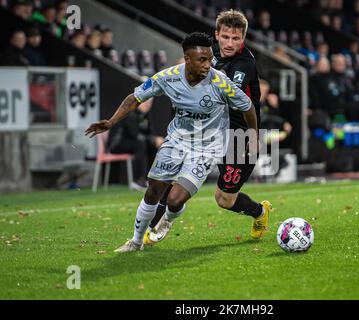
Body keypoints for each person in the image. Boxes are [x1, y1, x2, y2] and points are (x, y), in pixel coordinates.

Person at [85, 32, 259, 252]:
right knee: (153, 191)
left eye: (210, 58)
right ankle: (136, 241)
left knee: (175, 200)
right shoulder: (168, 77)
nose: (209, 64)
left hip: (207, 147)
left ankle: (168, 219)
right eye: (202, 60)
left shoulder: (220, 82)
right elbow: (135, 97)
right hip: (176, 142)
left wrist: (251, 137)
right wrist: (111, 122)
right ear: (187, 59)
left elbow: (248, 107)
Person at [145, 10, 272, 245]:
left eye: (235, 38)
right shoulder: (207, 52)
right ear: (217, 35)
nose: (229, 43)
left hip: (239, 137)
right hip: (207, 132)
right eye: (225, 37)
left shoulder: (244, 65)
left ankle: (260, 212)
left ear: (243, 38)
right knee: (172, 175)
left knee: (224, 199)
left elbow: (223, 94)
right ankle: (153, 227)